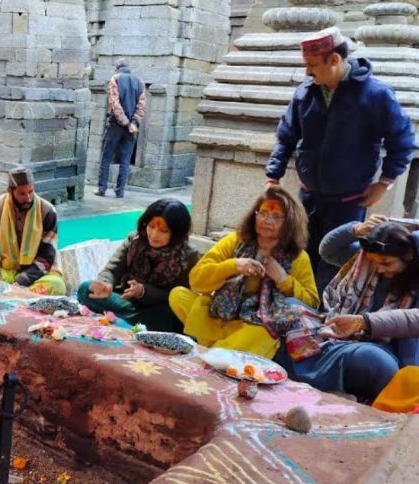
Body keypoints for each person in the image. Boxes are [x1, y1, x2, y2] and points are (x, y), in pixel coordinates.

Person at [265, 26, 415, 293]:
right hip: (308, 196)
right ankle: (298, 304)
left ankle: (327, 309)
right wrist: (272, 176)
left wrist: (383, 183)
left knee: (335, 262)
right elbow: (286, 136)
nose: (307, 72)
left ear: (334, 59)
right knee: (301, 252)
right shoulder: (304, 93)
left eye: (312, 65)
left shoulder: (376, 95)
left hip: (349, 201)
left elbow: (402, 140)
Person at [274, 218, 419, 404]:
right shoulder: (364, 261)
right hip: (332, 330)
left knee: (376, 361)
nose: (379, 269)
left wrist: (362, 322)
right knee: (288, 306)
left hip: (374, 346)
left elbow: (413, 320)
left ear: (408, 256)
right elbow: (328, 250)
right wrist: (354, 229)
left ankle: (314, 376)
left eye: (386, 263)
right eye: (374, 262)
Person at [169, 186, 319, 359]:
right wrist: (233, 266)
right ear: (254, 215)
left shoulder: (298, 257)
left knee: (267, 333)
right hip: (221, 313)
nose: (267, 220)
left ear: (289, 222)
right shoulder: (235, 241)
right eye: (263, 213)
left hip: (256, 323)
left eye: (276, 216)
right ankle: (224, 352)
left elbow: (311, 303)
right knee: (178, 295)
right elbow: (196, 280)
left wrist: (283, 279)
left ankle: (211, 353)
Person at [77, 199, 199, 330]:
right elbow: (113, 268)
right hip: (125, 301)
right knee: (85, 289)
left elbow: (175, 296)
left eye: (164, 231)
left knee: (168, 317)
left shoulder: (188, 256)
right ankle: (131, 322)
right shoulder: (134, 240)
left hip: (156, 308)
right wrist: (105, 283)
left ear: (177, 233)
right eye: (151, 226)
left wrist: (143, 291)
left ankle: (123, 320)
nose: (154, 235)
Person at [0, 167, 66, 295]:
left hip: (37, 274)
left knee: (57, 285)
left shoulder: (48, 211)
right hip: (6, 269)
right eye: (22, 193)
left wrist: (21, 281)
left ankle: (11, 292)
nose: (28, 198)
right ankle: (18, 294)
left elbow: (46, 258)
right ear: (10, 191)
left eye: (30, 192)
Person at [96, 59, 146, 199]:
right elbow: (141, 106)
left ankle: (102, 189)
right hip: (132, 127)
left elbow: (115, 104)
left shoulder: (115, 79)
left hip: (116, 125)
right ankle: (120, 191)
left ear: (117, 68)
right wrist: (134, 122)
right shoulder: (140, 81)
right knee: (125, 160)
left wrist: (126, 123)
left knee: (106, 157)